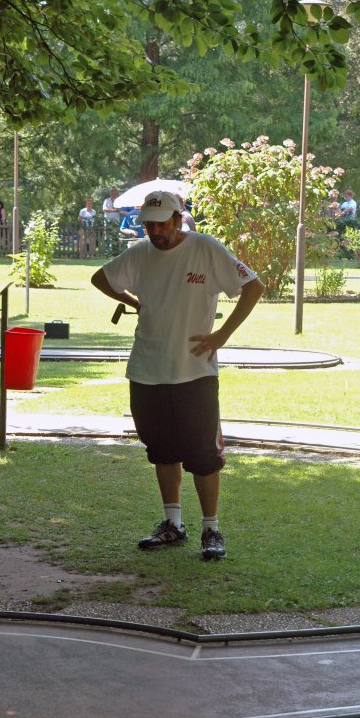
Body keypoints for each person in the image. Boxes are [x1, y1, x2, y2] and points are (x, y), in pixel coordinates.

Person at [91, 190, 264, 561]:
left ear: (177, 218)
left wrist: (222, 335)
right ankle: (173, 524)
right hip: (147, 370)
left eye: (161, 224)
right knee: (162, 451)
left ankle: (211, 529)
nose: (154, 231)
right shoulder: (139, 254)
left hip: (195, 372)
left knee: (203, 455)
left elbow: (253, 286)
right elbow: (100, 278)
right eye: (148, 225)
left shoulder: (205, 248)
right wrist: (133, 302)